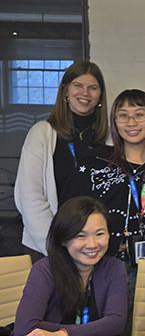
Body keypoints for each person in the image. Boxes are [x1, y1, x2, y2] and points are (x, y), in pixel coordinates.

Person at [14, 61, 106, 256]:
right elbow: (30, 196)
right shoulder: (42, 133)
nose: (85, 93)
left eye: (93, 88)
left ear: (100, 96)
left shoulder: (109, 137)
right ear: (65, 91)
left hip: (94, 248)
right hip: (48, 247)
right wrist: (57, 246)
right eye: (78, 86)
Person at [14, 197, 130, 336]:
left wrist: (63, 335)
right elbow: (24, 328)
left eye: (100, 234)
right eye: (80, 236)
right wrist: (97, 328)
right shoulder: (44, 270)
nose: (92, 244)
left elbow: (116, 322)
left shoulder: (114, 268)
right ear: (63, 239)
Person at [79, 88, 145, 269]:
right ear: (114, 122)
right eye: (123, 116)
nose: (131, 122)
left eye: (139, 115)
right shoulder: (95, 164)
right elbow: (72, 217)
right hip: (100, 266)